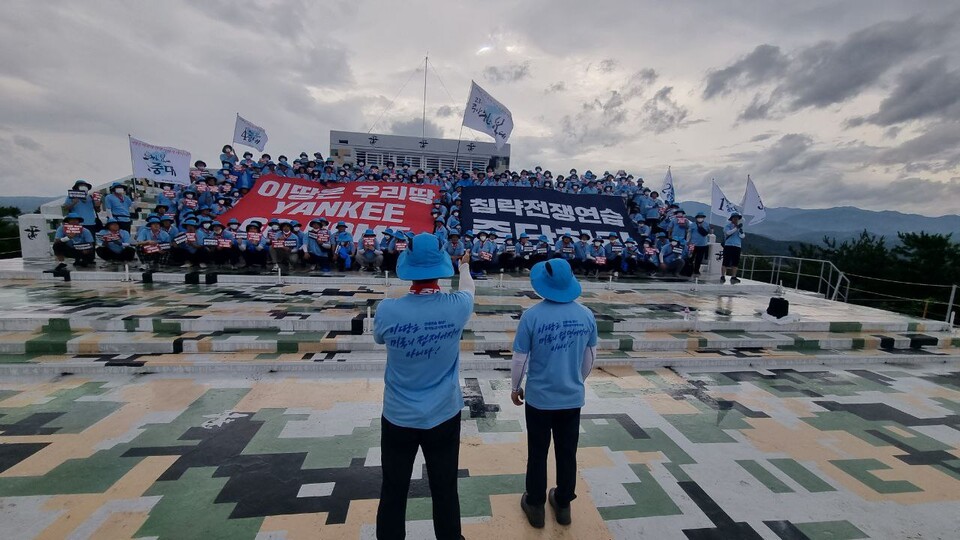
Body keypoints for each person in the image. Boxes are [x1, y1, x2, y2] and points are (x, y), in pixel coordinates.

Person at [374, 234, 474, 540]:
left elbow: (379, 339)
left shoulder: (387, 310)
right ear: (442, 267)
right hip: (443, 414)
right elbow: (469, 288)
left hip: (398, 416)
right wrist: (465, 267)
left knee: (393, 488)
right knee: (445, 488)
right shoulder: (458, 306)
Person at [511, 258, 597, 529]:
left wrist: (515, 388)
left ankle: (535, 504)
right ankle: (562, 503)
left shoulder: (532, 316)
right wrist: (575, 380)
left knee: (537, 451)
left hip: (539, 399)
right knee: (567, 451)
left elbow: (519, 359)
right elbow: (590, 357)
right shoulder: (586, 314)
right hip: (571, 398)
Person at [722, 212, 746, 284]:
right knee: (725, 261)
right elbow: (728, 233)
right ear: (731, 219)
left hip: (737, 246)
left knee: (735, 262)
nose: (736, 219)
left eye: (737, 218)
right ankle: (723, 276)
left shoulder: (739, 227)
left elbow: (743, 236)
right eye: (734, 218)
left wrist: (740, 231)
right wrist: (736, 228)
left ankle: (733, 276)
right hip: (728, 245)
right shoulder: (727, 226)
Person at [690, 212, 711, 278]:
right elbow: (689, 233)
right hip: (693, 244)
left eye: (701, 217)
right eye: (699, 217)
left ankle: (696, 270)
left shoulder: (706, 224)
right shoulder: (692, 225)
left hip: (703, 245)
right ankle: (690, 269)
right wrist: (688, 242)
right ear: (696, 218)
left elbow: (709, 232)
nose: (700, 218)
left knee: (699, 259)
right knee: (691, 258)